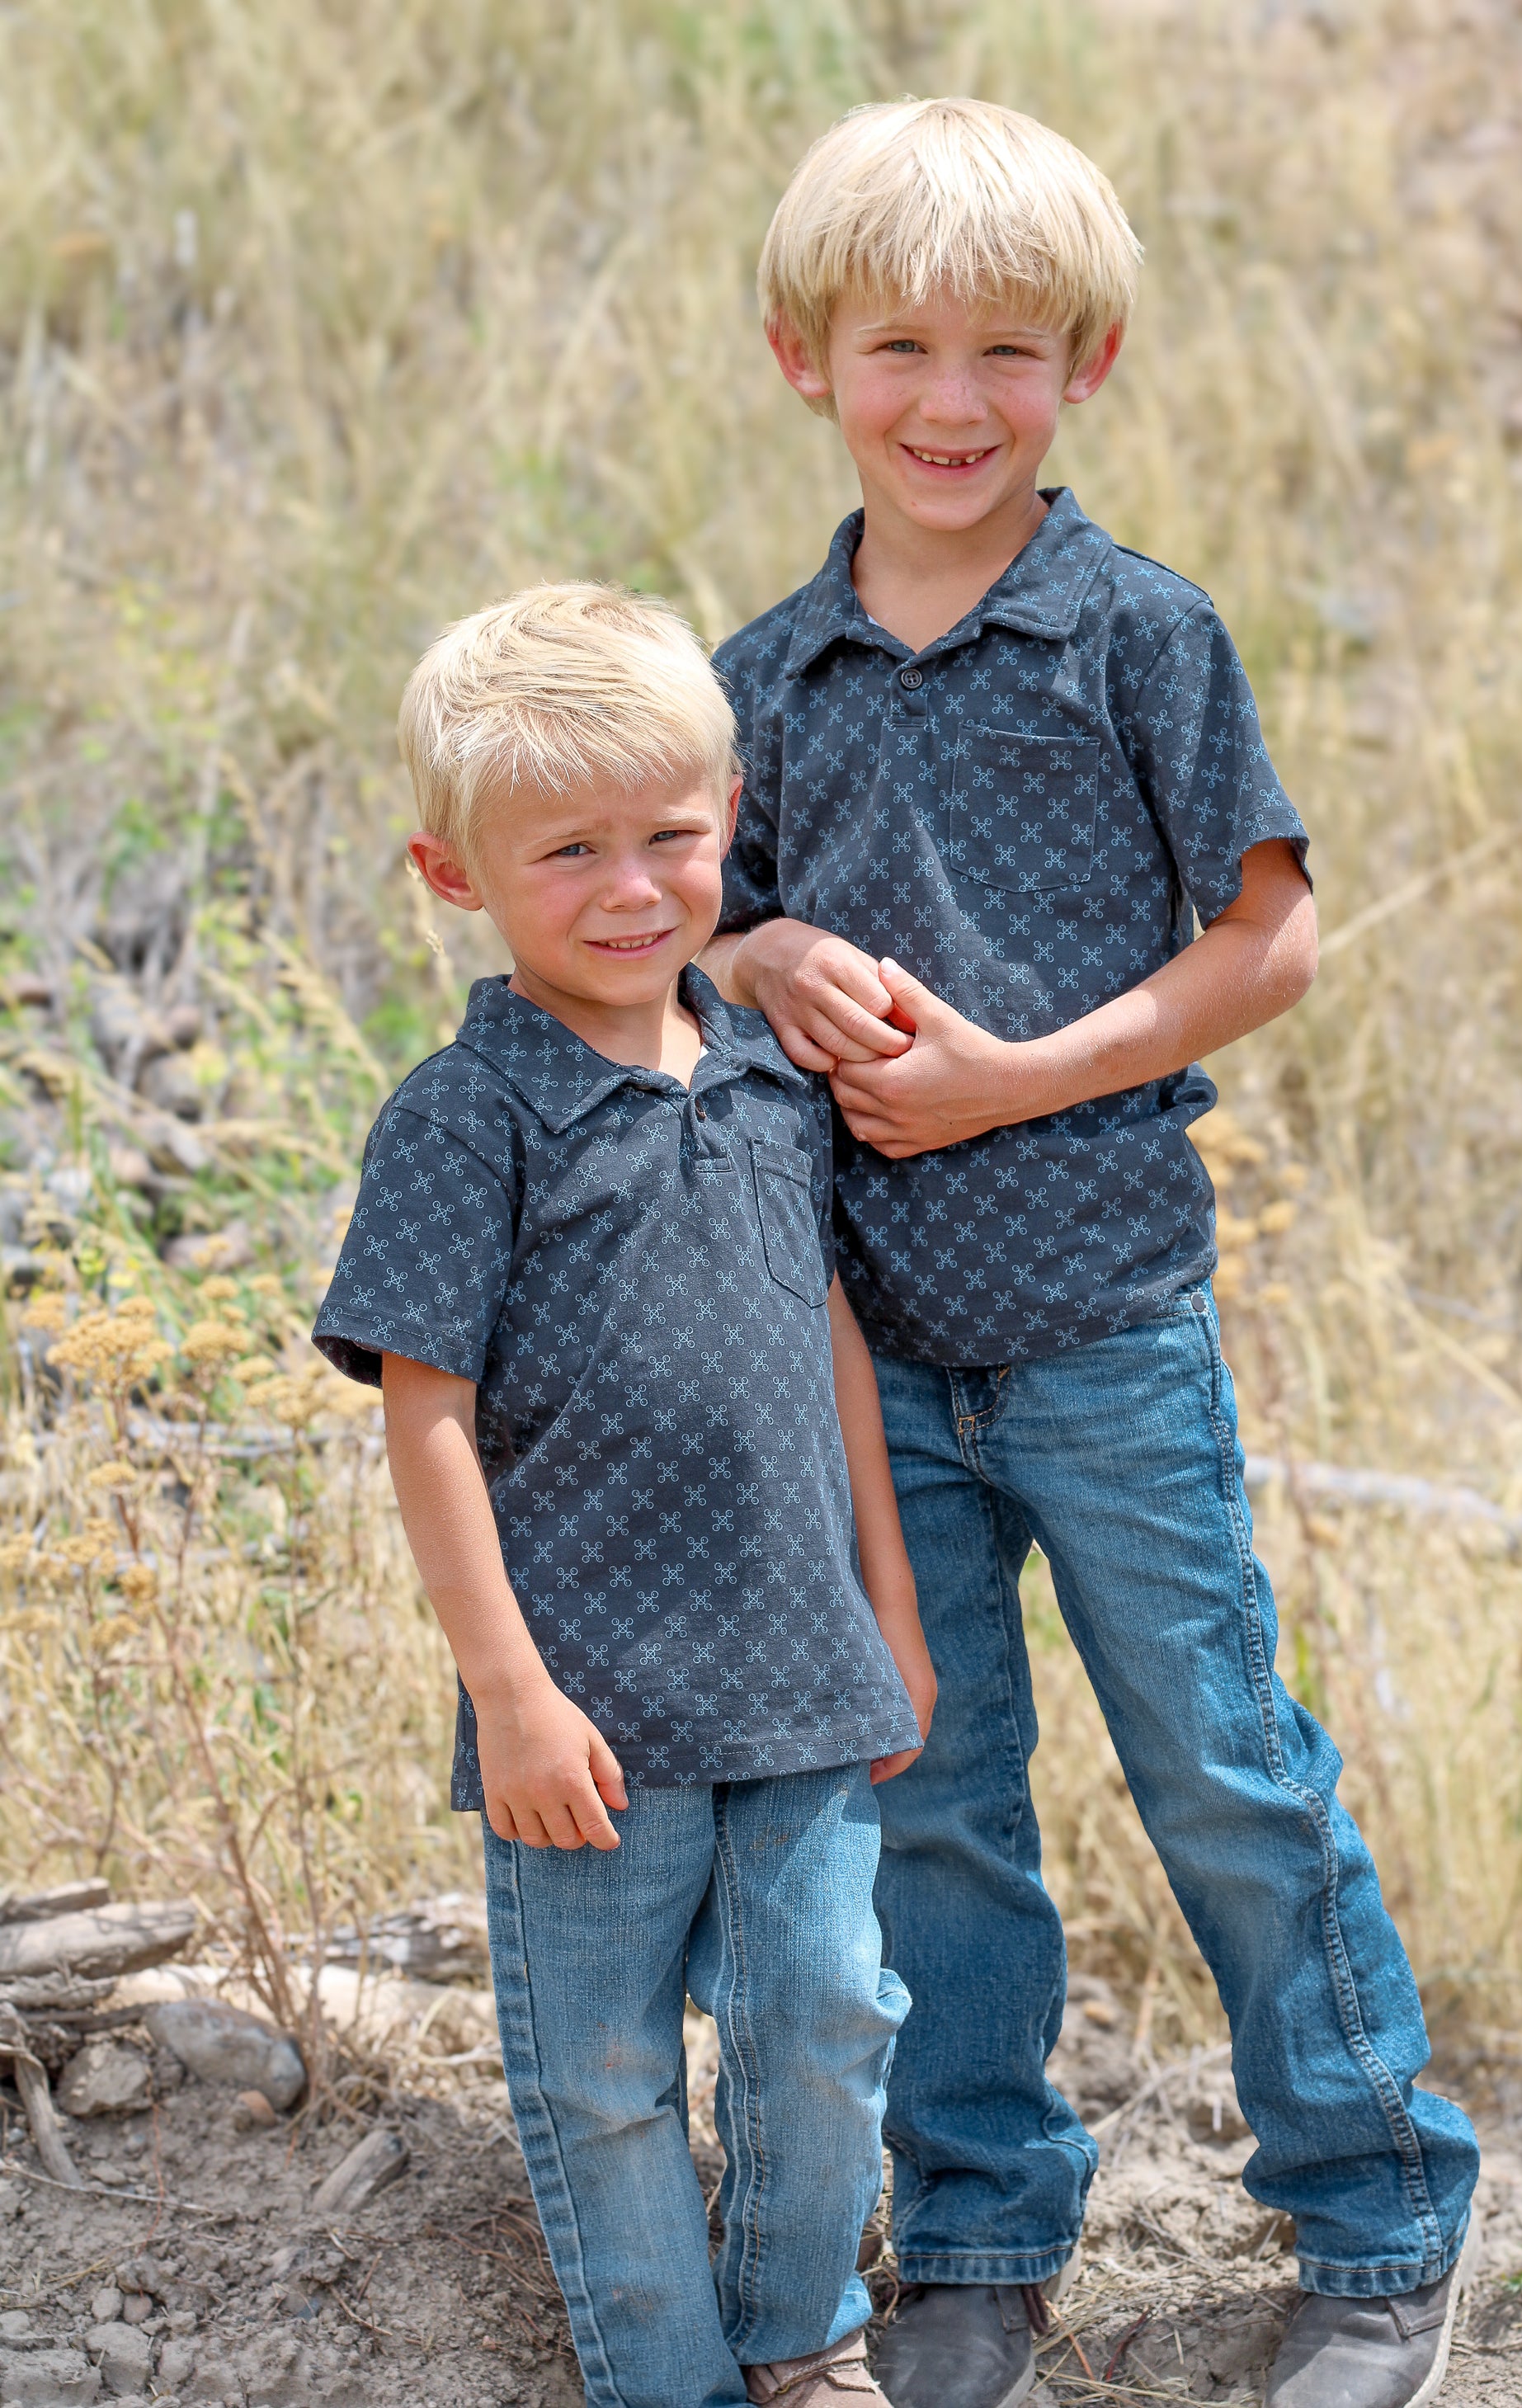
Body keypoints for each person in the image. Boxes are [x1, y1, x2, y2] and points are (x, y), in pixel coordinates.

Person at [702, 97, 1479, 2408]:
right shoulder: (761, 682)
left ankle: (1380, 2218)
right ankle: (976, 2235)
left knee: (1221, 1770)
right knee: (931, 1801)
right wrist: (754, 958)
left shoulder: (1138, 632)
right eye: (899, 348)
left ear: (1088, 367)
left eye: (1006, 354)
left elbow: (1269, 941)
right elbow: (677, 930)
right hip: (870, 1359)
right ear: (804, 362)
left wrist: (1008, 1078)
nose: (951, 401)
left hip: (1106, 1325)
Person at [313, 583, 936, 2408]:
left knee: (825, 2012)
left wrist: (890, 1608)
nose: (631, 888)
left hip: (802, 1670)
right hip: (582, 1709)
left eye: (667, 835)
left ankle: (800, 2338)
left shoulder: (764, 1079)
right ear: (454, 873)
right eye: (566, 850)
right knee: (598, 2073)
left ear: (728, 814)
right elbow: (425, 1418)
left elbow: (831, 1343)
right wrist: (508, 1694)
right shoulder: (464, 1116)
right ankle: (665, 2380)